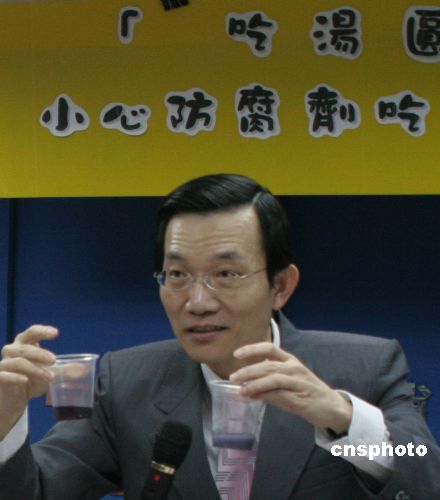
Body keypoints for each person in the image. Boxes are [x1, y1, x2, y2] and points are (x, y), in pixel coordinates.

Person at [0, 173, 439, 500]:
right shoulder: (127, 383)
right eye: (177, 275)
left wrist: (342, 417)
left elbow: (424, 470)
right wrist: (5, 421)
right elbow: (37, 490)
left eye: (226, 274)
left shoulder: (365, 368)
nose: (198, 302)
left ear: (281, 286)